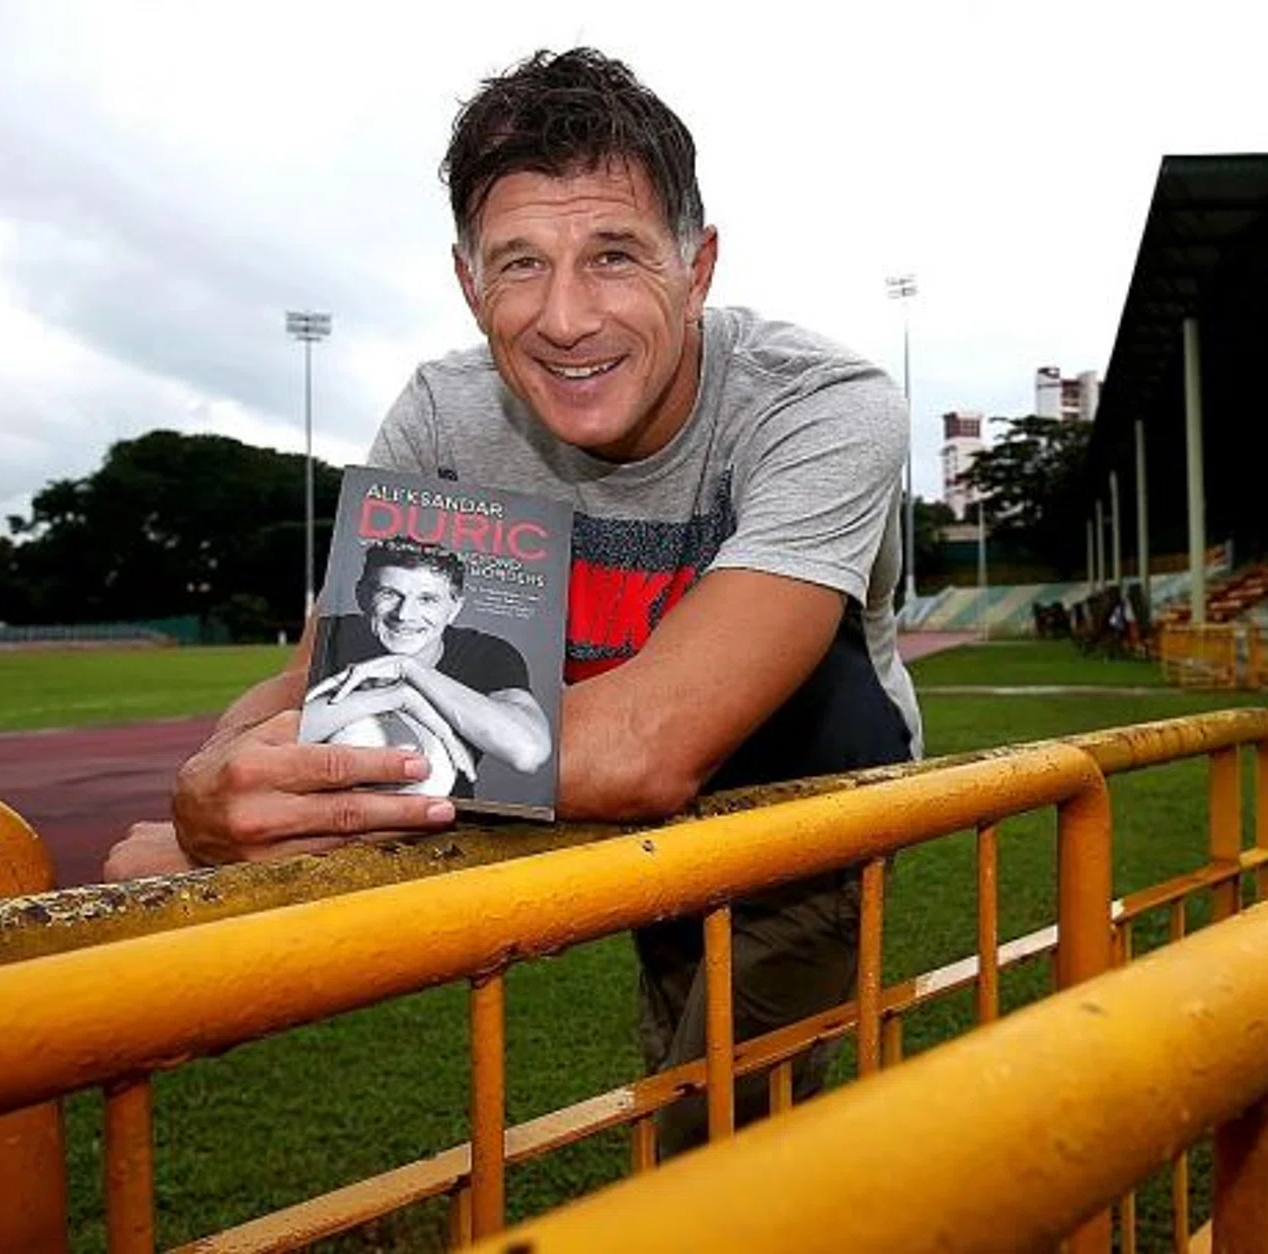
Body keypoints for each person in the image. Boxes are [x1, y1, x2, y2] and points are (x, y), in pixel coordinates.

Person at [104, 47, 920, 1156]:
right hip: (587, 787)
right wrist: (214, 784)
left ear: (698, 267)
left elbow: (644, 749)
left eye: (614, 256)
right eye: (521, 264)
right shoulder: (448, 416)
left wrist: (316, 797)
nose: (566, 318)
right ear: (467, 282)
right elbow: (313, 681)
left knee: (721, 1132)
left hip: (805, 808)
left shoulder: (819, 404)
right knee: (675, 1053)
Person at [303, 540, 551, 801]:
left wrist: (409, 669)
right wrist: (397, 696)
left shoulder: (486, 653)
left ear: (454, 608)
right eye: (389, 593)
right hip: (327, 811)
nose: (404, 615)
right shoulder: (331, 635)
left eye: (427, 599)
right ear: (362, 596)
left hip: (445, 818)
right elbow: (288, 734)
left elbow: (528, 752)